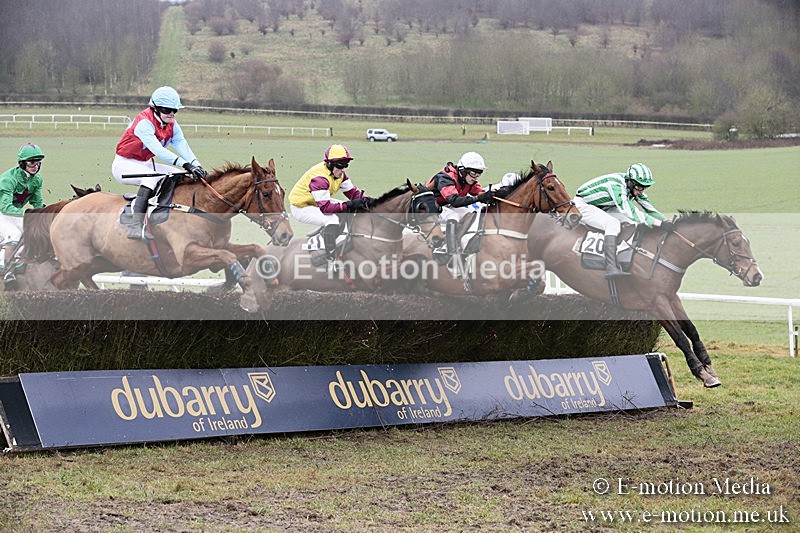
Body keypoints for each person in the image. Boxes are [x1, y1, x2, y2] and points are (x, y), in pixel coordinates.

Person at [112, 86, 207, 240]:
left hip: (145, 163)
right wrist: (186, 164)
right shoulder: (144, 123)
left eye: (174, 110)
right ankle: (135, 227)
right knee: (151, 179)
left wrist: (196, 164)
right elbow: (159, 151)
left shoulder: (172, 124)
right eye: (167, 110)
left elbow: (182, 145)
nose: (171, 114)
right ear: (155, 108)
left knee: (179, 176)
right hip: (124, 165)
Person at [573, 163, 673, 278]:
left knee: (631, 222)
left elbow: (649, 209)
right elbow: (631, 212)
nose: (642, 191)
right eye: (640, 187)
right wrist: (659, 224)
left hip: (604, 206)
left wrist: (666, 221)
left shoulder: (634, 186)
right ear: (630, 182)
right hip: (582, 206)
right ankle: (611, 267)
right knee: (613, 224)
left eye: (645, 187)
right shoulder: (616, 186)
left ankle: (623, 254)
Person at [288, 144, 372, 266]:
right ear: (329, 164)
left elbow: (353, 193)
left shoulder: (340, 174)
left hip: (316, 202)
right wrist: (350, 205)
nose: (343, 169)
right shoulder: (320, 179)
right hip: (301, 207)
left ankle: (339, 238)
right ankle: (330, 259)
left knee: (345, 207)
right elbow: (326, 209)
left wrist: (373, 202)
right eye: (340, 165)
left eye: (345, 164)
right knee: (332, 220)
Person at [425, 151, 503, 257]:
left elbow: (479, 192)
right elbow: (455, 201)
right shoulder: (446, 178)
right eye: (473, 173)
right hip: (431, 209)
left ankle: (460, 241)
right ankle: (448, 249)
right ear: (463, 170)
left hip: (446, 206)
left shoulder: (466, 179)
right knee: (453, 216)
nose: (476, 177)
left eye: (478, 174)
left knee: (471, 212)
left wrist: (493, 195)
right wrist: (479, 198)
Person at [0, 143, 46, 288]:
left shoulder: (37, 180)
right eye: (32, 162)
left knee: (34, 230)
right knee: (14, 233)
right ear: (22, 163)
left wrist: (43, 215)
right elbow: (5, 206)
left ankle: (20, 259)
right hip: (2, 211)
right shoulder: (8, 179)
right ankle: (8, 271)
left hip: (13, 213)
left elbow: (37, 202)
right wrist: (27, 216)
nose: (36, 166)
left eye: (38, 162)